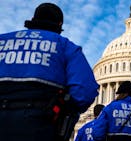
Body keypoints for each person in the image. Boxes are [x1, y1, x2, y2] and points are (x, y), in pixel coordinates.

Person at [0, 2, 99, 141]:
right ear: (59, 25)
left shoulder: (3, 40)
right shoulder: (65, 46)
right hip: (39, 123)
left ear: (33, 19)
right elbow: (85, 91)